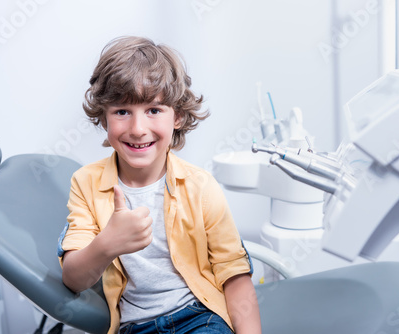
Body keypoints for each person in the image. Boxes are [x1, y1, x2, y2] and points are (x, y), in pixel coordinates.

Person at [57, 36, 262, 334]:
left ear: (177, 116)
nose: (138, 129)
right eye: (122, 111)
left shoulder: (200, 186)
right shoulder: (86, 182)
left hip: (198, 317)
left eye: (153, 110)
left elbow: (234, 275)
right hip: (133, 326)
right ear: (104, 118)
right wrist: (107, 244)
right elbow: (73, 279)